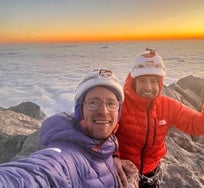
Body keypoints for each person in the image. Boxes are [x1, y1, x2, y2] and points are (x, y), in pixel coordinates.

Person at [0, 68, 137, 187]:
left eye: (111, 103)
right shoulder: (68, 155)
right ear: (79, 111)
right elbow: (39, 173)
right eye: (93, 102)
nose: (104, 111)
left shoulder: (103, 148)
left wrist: (113, 160)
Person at [114, 48, 204, 187]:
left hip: (151, 175)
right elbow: (102, 136)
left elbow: (197, 124)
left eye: (153, 81)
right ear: (134, 82)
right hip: (121, 175)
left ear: (160, 83)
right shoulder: (120, 104)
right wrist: (113, 158)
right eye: (142, 80)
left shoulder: (166, 106)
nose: (148, 87)